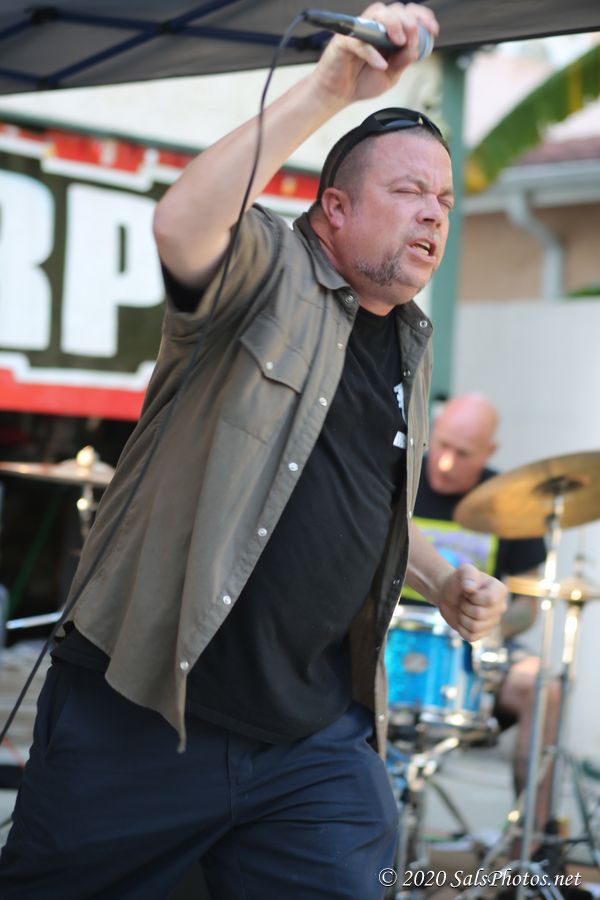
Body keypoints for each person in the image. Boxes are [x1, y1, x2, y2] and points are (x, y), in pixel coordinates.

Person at [0, 5, 507, 898]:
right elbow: (180, 227)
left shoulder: (408, 340)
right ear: (334, 208)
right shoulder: (269, 266)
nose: (434, 213)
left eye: (444, 201)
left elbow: (362, 497)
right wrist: (331, 87)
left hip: (313, 742)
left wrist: (442, 580)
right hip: (144, 713)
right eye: (408, 191)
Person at [400, 392, 558, 828]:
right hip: (388, 642)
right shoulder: (399, 477)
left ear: (490, 451)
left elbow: (527, 606)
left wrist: (490, 626)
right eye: (442, 444)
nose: (446, 462)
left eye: (464, 453)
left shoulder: (512, 503)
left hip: (472, 654)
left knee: (542, 687)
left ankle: (530, 839)